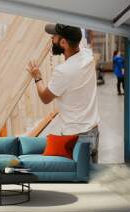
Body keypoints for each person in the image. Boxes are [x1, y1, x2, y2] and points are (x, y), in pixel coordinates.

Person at [26, 24, 100, 163]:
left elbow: (45, 97)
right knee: (91, 176)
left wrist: (37, 76)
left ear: (64, 42)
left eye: (54, 36)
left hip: (76, 137)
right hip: (93, 131)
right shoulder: (87, 55)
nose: (51, 39)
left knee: (78, 180)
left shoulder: (63, 71)